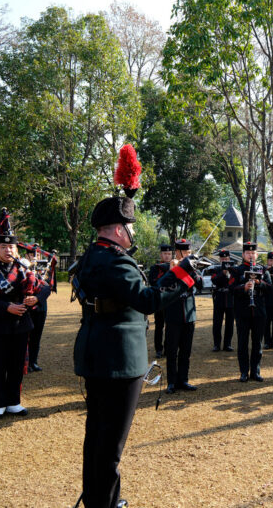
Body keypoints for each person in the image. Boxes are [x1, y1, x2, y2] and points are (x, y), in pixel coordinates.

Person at [72, 194, 198, 508]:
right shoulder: (116, 258)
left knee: (96, 436)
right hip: (118, 359)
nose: (133, 233)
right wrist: (184, 273)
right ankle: (106, 503)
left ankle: (100, 498)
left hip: (95, 354)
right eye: (129, 226)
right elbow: (147, 301)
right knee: (110, 443)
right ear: (117, 230)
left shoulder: (91, 255)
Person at [0, 209, 50, 420]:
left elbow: (43, 288)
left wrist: (36, 299)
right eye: (4, 246)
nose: (8, 250)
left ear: (16, 249)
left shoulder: (24, 269)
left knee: (17, 365)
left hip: (21, 324)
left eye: (11, 247)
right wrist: (6, 307)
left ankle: (14, 402)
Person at [163, 239, 202, 394]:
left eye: (189, 252)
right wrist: (174, 270)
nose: (187, 255)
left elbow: (200, 285)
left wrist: (192, 270)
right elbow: (163, 285)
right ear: (177, 252)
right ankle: (171, 382)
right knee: (172, 351)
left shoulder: (192, 267)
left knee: (186, 351)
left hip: (189, 314)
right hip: (173, 314)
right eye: (184, 252)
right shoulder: (169, 267)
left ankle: (183, 380)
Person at [229, 242, 271, 382]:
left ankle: (255, 371)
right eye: (248, 253)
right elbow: (231, 289)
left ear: (257, 255)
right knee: (242, 342)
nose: (251, 255)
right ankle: (243, 372)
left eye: (253, 253)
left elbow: (271, 289)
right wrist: (243, 287)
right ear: (243, 255)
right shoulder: (236, 270)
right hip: (242, 311)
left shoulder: (263, 270)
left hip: (259, 311)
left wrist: (259, 283)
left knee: (257, 343)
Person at [25, 248, 50, 373]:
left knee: (36, 337)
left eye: (38, 254)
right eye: (32, 254)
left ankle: (33, 361)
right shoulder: (22, 267)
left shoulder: (44, 268)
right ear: (27, 255)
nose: (35, 256)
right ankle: (26, 362)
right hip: (27, 308)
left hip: (41, 307)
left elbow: (48, 286)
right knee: (27, 336)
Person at [148, 244, 173, 359]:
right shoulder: (155, 268)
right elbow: (153, 282)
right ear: (161, 254)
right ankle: (158, 349)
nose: (167, 256)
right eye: (165, 254)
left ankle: (168, 349)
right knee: (159, 327)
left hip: (171, 301)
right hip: (159, 300)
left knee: (170, 327)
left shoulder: (174, 267)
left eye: (169, 254)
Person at [210, 249, 235, 352]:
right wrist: (223, 273)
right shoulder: (216, 269)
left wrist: (229, 273)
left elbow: (234, 282)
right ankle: (216, 344)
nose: (225, 260)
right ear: (220, 259)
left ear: (229, 258)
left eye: (226, 258)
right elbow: (214, 280)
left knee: (229, 323)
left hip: (230, 298)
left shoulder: (234, 269)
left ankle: (227, 344)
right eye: (223, 259)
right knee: (217, 323)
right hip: (219, 297)